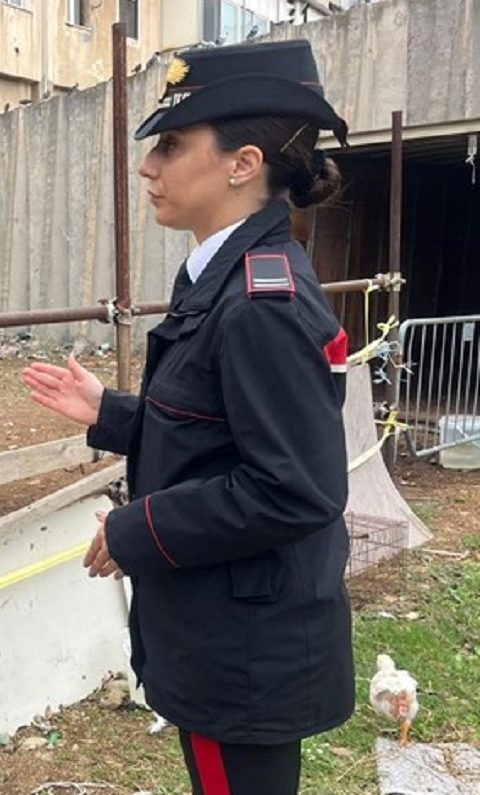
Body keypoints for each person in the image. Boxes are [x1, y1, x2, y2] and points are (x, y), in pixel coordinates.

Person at [23, 39, 354, 795]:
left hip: (243, 651)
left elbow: (294, 487)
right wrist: (111, 413)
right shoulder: (224, 273)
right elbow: (217, 431)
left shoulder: (261, 304)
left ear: (242, 164)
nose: (148, 166)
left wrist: (135, 530)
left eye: (171, 145)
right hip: (232, 632)